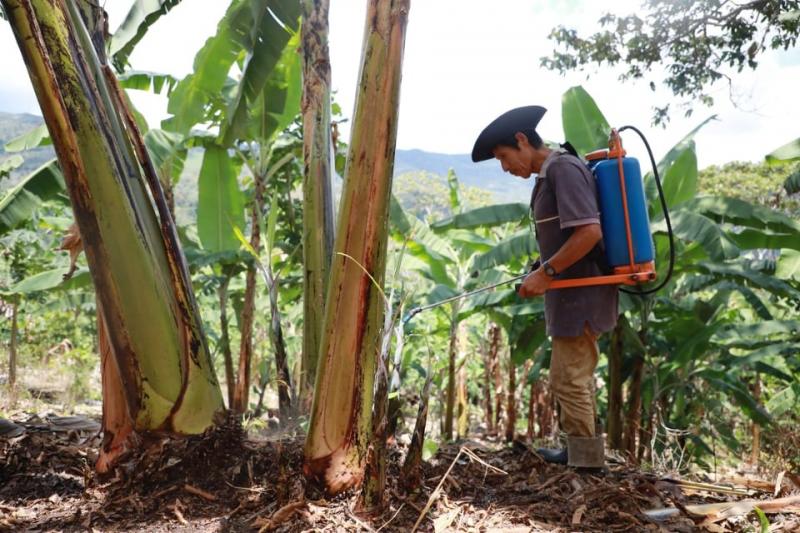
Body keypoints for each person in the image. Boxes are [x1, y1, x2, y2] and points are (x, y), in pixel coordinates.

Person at [471, 105, 618, 469]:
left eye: (505, 157)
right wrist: (540, 268)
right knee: (565, 378)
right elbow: (566, 236)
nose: (505, 168)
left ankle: (587, 464)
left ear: (522, 140)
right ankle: (576, 451)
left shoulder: (563, 169)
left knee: (570, 379)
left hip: (583, 295)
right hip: (569, 297)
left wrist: (546, 272)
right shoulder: (549, 174)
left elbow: (589, 232)